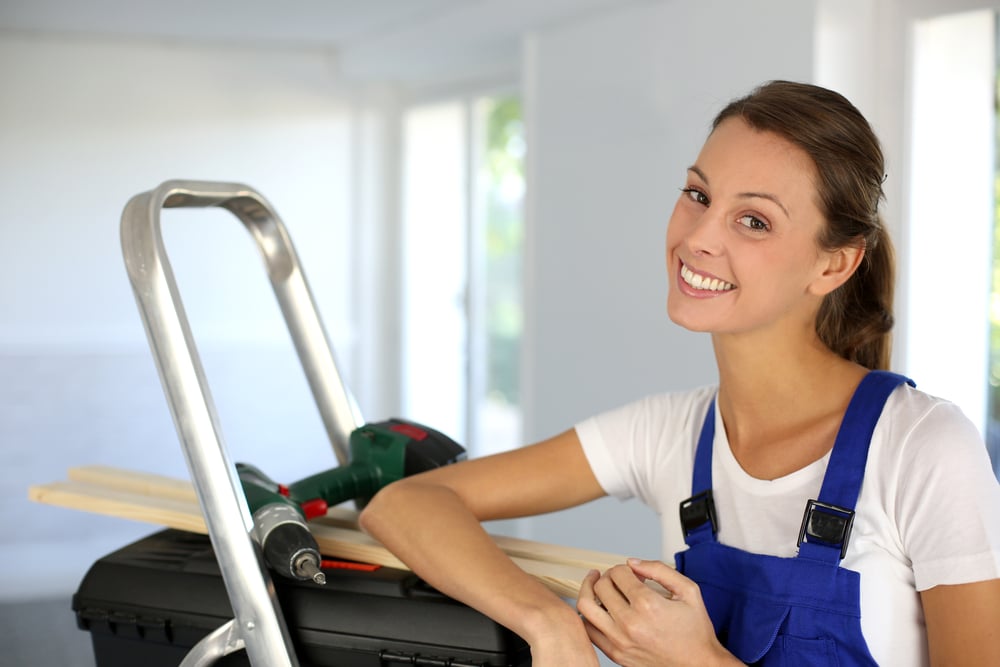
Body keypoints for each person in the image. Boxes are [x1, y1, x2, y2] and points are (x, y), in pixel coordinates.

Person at [359, 80, 1000, 666]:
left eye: (753, 221)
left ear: (833, 266)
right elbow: (406, 504)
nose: (697, 238)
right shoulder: (667, 433)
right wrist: (547, 624)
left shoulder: (924, 449)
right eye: (698, 195)